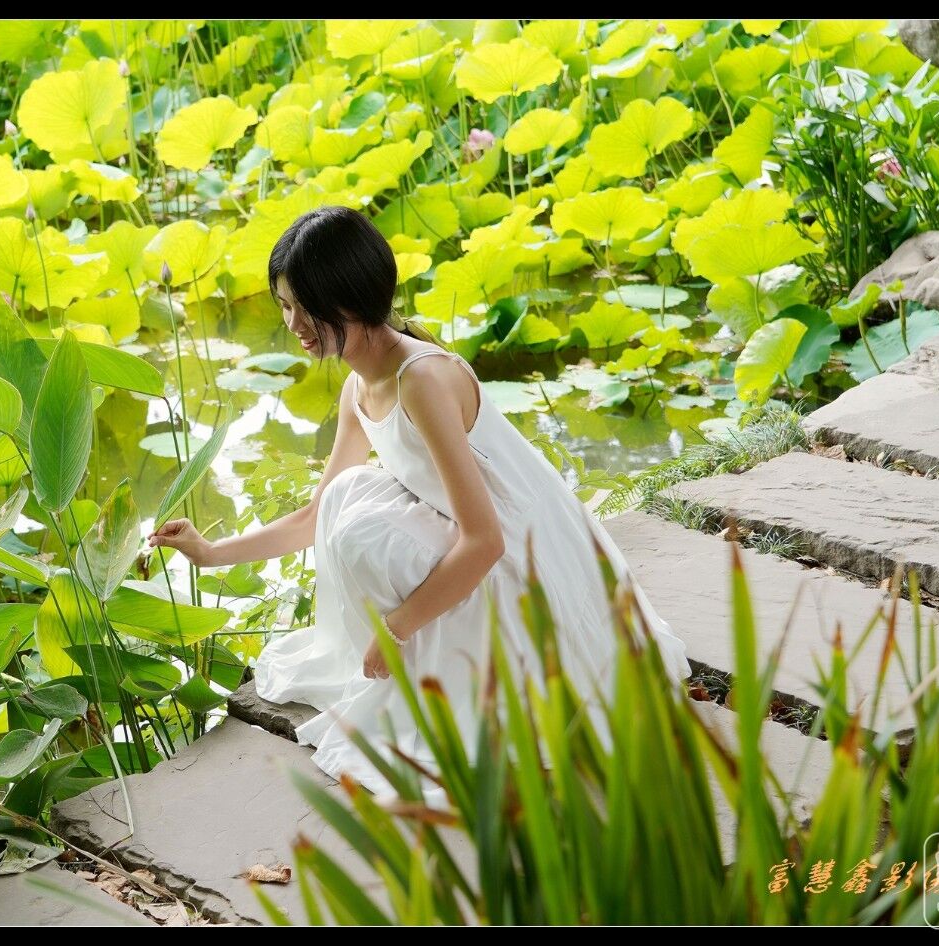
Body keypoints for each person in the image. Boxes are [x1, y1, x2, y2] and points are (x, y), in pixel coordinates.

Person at [146, 206, 692, 805]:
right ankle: (433, 665)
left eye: (307, 306)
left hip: (523, 564)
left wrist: (398, 628)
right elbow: (315, 514)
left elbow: (486, 541)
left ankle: (459, 680)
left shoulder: (422, 380)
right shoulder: (360, 385)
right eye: (285, 306)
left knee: (363, 530)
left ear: (351, 297)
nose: (294, 324)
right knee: (346, 501)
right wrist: (210, 552)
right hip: (476, 544)